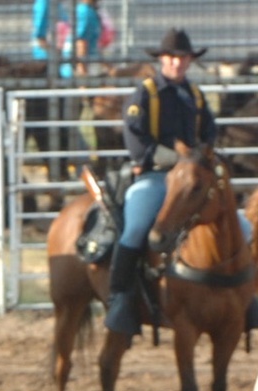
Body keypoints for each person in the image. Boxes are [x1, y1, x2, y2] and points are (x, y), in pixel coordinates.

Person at [105, 27, 216, 335]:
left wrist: (201, 157)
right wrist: (175, 158)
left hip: (192, 179)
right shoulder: (145, 94)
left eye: (183, 58)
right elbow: (136, 138)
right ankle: (119, 295)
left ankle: (242, 293)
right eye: (172, 58)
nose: (177, 63)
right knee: (137, 225)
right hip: (155, 176)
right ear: (162, 60)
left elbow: (209, 130)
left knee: (234, 221)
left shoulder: (195, 94)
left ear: (190, 60)